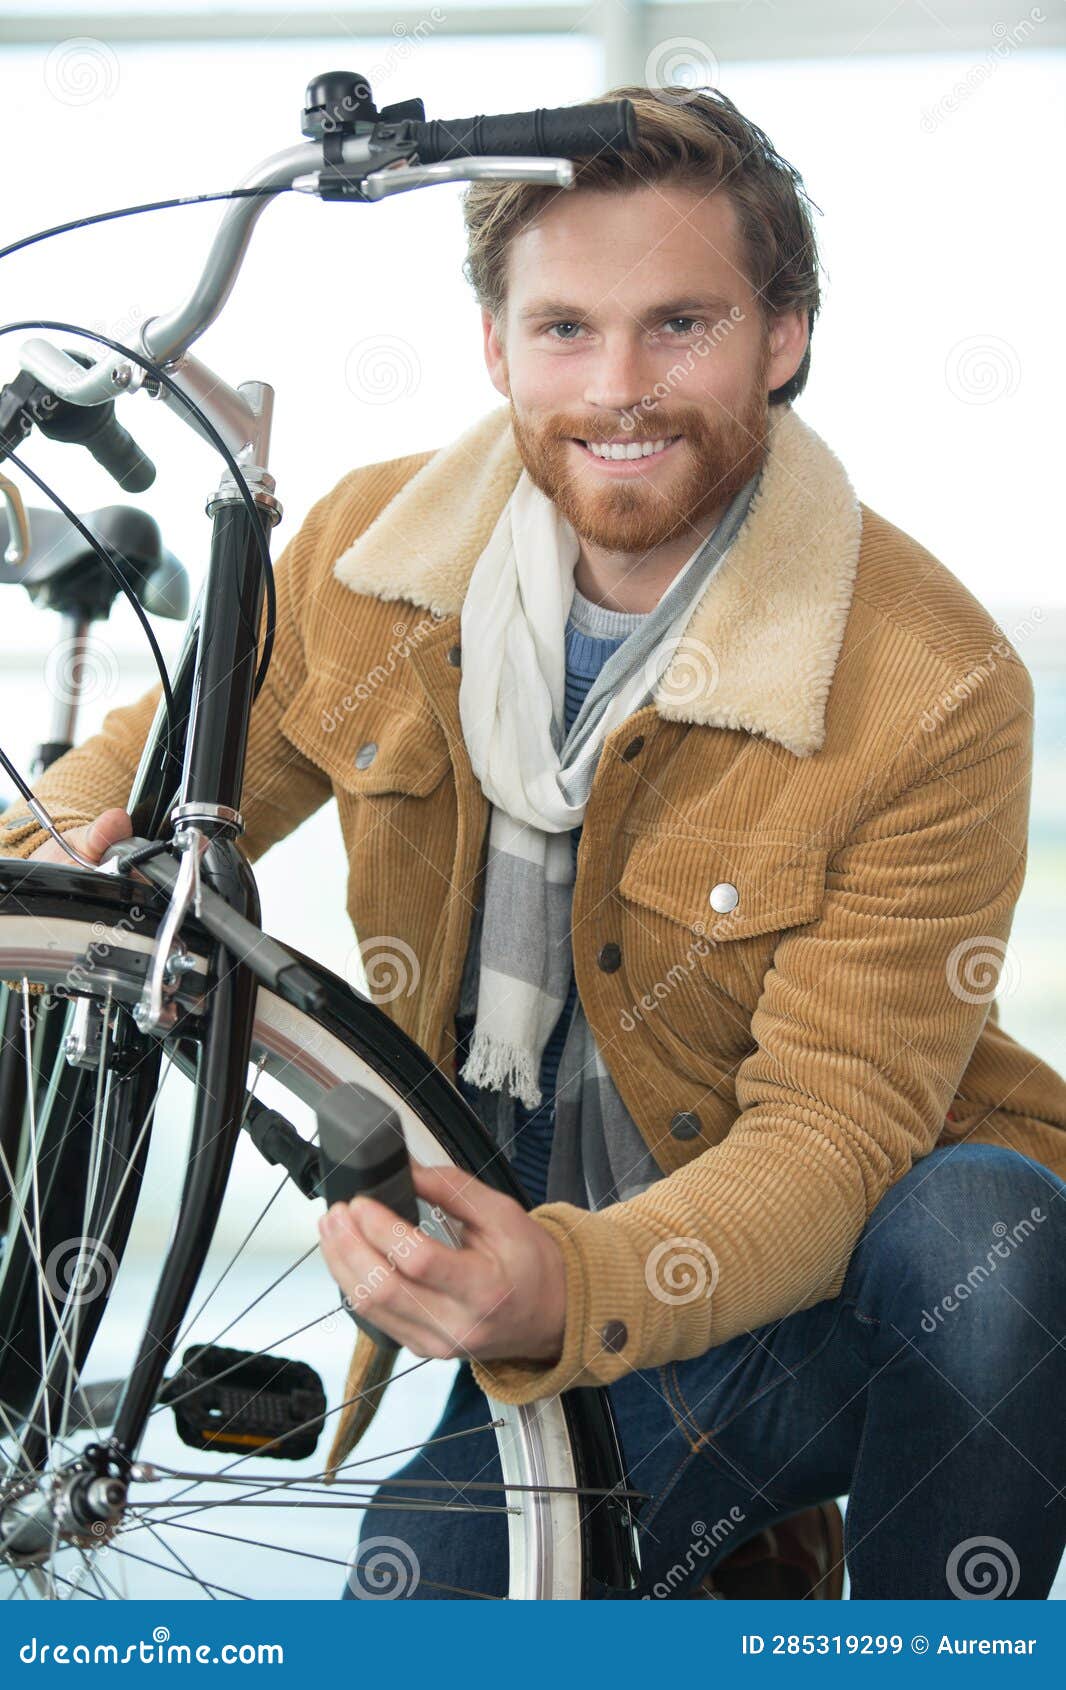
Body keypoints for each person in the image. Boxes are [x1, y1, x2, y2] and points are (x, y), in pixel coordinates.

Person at [4, 85, 1065, 1601]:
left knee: (997, 1234)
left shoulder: (931, 681)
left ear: (784, 337)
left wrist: (567, 1280)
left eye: (679, 324)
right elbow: (137, 783)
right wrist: (63, 849)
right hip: (513, 1229)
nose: (617, 387)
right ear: (495, 347)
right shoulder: (375, 563)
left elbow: (831, 1134)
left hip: (823, 1266)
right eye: (565, 329)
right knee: (424, 1579)